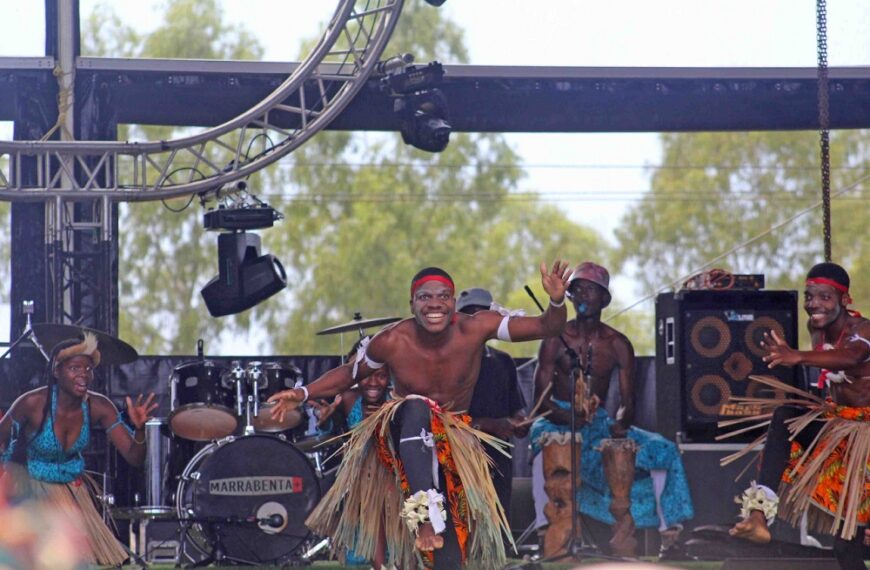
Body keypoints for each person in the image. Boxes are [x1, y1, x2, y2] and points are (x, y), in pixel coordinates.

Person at [268, 262, 570, 569]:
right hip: (400, 435)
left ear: (453, 303)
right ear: (412, 304)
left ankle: (438, 532)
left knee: (449, 557)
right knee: (415, 406)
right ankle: (424, 516)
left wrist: (557, 301)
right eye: (425, 297)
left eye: (443, 296)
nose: (435, 303)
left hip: (454, 440)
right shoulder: (392, 340)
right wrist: (302, 393)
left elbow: (548, 326)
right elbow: (351, 373)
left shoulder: (476, 327)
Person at [529, 261, 694, 556]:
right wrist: (570, 417)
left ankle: (669, 534)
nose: (583, 296)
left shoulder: (617, 344)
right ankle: (547, 530)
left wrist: (620, 424)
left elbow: (628, 403)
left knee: (664, 450)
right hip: (556, 420)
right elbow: (540, 402)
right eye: (577, 290)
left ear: (604, 299)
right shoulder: (555, 339)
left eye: (591, 291)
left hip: (597, 422)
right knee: (545, 443)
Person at [727, 262, 870, 570]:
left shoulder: (864, 330)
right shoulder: (817, 329)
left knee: (848, 547)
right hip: (837, 426)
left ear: (845, 300)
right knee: (786, 418)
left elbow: (852, 356)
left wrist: (797, 356)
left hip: (865, 438)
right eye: (809, 296)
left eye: (825, 297)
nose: (813, 304)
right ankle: (758, 516)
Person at [0, 333, 157, 567]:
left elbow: (134, 457)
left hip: (70, 492)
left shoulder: (99, 406)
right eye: (75, 368)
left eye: (88, 368)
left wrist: (140, 430)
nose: (83, 374)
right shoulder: (32, 403)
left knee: (76, 561)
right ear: (56, 371)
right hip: (29, 489)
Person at [458, 287, 529, 517]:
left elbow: (516, 407)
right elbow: (441, 416)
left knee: (498, 517)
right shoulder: (449, 360)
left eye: (482, 315)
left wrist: (520, 421)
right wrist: (487, 424)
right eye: (470, 316)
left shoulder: (503, 361)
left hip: (498, 456)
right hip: (460, 452)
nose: (478, 322)